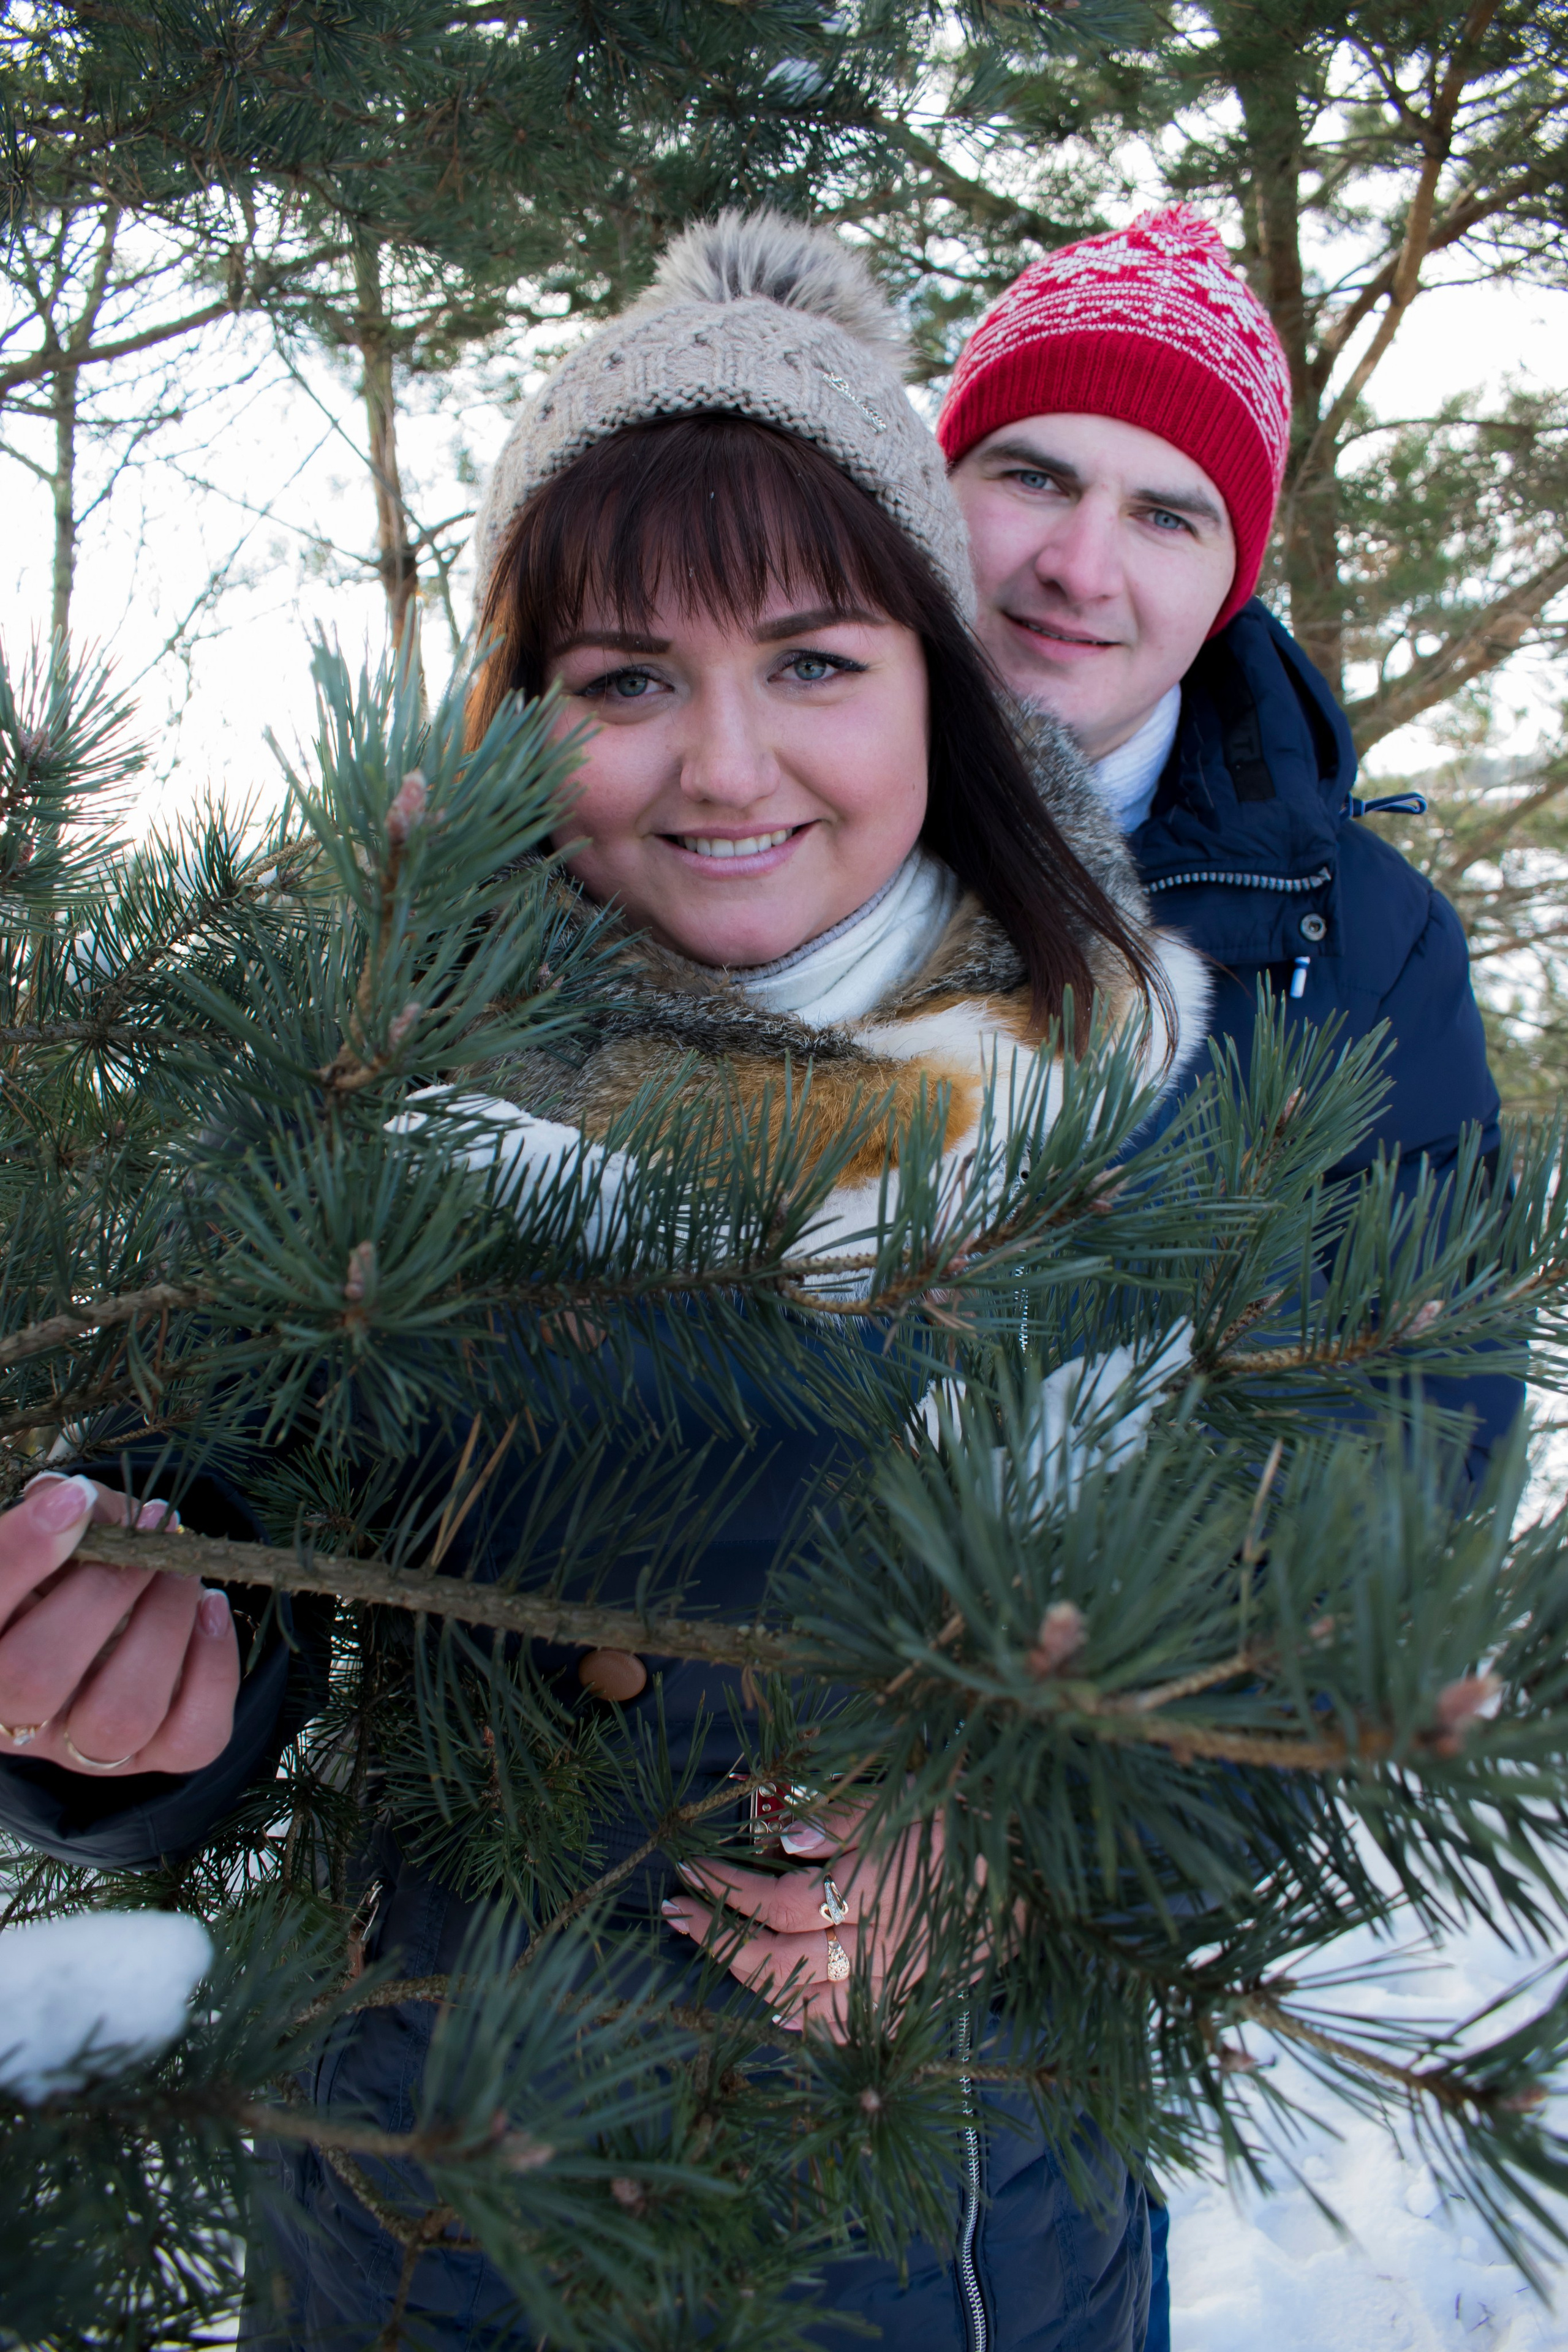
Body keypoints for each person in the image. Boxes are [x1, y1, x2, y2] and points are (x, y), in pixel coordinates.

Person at [0, 214, 1212, 2351]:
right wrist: (114, 1701)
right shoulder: (368, 1084)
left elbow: (1300, 1631)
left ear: (943, 690)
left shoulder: (1129, 1094)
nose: (726, 768)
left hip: (956, 2228)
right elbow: (211, 1531)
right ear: (517, 721)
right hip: (437, 2217)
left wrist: (1031, 1843)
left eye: (814, 664)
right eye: (627, 681)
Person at [940, 200, 1525, 2352]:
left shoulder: (1354, 942)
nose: (1081, 563)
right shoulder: (690, 790)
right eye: (1032, 473)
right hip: (495, 2014)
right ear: (932, 477)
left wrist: (1051, 1855)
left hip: (1007, 2017)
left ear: (1233, 573)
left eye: (1168, 510)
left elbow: (1409, 1446)